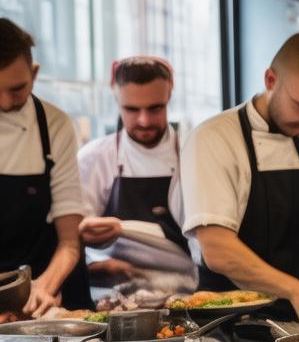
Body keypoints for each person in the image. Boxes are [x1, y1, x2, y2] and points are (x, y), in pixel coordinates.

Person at [180, 33, 299, 328]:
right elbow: (217, 250)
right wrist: (295, 290)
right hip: (232, 330)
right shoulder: (213, 139)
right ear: (270, 80)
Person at [77, 56, 195, 288]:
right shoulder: (94, 158)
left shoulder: (193, 155)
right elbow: (72, 238)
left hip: (186, 292)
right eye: (131, 109)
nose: (144, 120)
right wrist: (93, 263)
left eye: (155, 108)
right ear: (116, 98)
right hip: (114, 295)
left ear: (169, 94)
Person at [0, 18, 91, 316]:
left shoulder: (55, 126)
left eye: (16, 89)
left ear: (34, 72)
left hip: (47, 297)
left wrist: (42, 288)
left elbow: (69, 240)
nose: (4, 102)